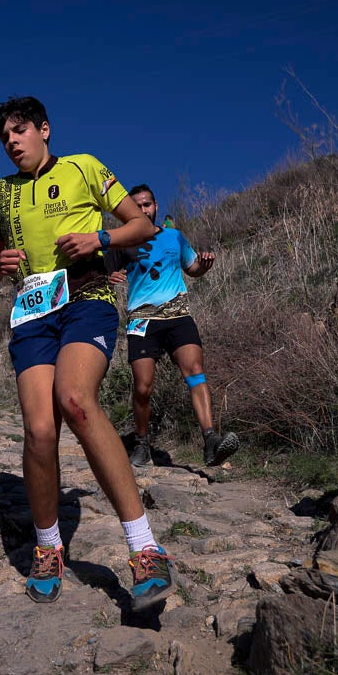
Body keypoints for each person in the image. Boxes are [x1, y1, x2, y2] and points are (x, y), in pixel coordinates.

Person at [0, 96, 177, 611]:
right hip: (31, 313)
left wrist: (99, 237)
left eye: (19, 131)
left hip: (86, 298)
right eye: (4, 137)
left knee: (76, 400)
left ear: (44, 129)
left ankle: (145, 550)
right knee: (40, 430)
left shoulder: (83, 168)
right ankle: (49, 550)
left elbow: (142, 226)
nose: (12, 142)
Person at [107, 184, 240, 467]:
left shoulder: (174, 237)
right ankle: (142, 444)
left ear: (156, 207)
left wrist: (204, 267)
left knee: (195, 372)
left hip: (178, 315)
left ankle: (210, 441)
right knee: (143, 387)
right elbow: (105, 274)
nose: (143, 209)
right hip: (142, 320)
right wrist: (109, 278)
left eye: (148, 204)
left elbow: (193, 269)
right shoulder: (123, 242)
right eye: (138, 205)